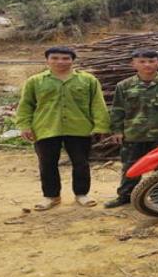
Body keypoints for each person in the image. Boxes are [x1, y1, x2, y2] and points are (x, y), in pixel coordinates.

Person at [16, 46, 110, 211]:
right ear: (47, 60)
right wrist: (25, 125)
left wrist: (101, 126)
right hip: (45, 127)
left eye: (66, 58)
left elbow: (97, 104)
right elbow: (26, 105)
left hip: (79, 127)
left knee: (81, 163)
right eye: (55, 58)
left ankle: (81, 194)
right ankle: (51, 196)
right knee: (47, 163)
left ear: (73, 60)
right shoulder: (35, 81)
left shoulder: (88, 80)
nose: (60, 62)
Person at [104, 49, 158, 208]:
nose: (147, 65)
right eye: (142, 62)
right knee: (130, 166)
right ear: (133, 64)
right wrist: (117, 130)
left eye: (151, 61)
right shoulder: (124, 85)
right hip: (134, 133)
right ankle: (125, 196)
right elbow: (118, 109)